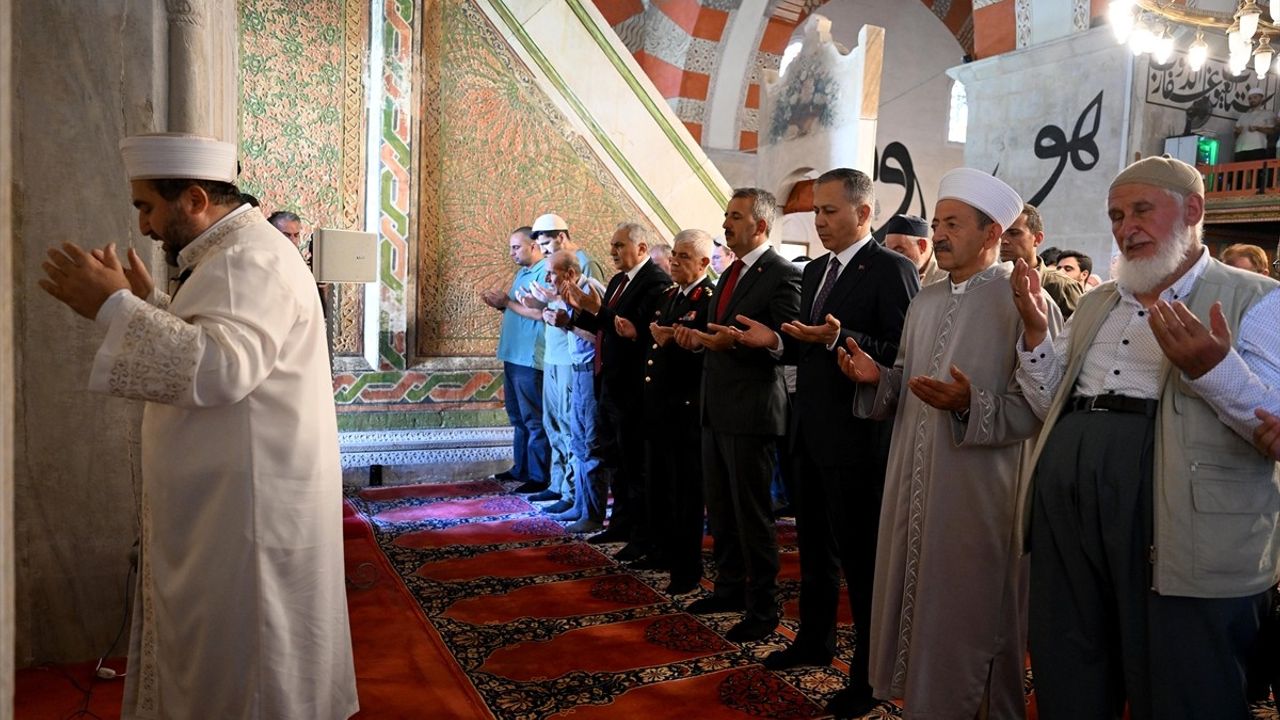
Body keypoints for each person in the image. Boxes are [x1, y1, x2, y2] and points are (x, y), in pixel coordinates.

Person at [37, 133, 357, 718]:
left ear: (192, 199)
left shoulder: (246, 260)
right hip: (234, 501)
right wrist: (150, 303)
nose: (142, 226)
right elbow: (223, 342)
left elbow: (221, 369)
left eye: (146, 207)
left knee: (246, 672)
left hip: (244, 515)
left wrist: (114, 309)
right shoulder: (233, 254)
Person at [1011, 155, 1280, 720]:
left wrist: (1212, 368)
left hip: (1173, 503)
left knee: (1182, 672)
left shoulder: (1256, 297)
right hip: (1070, 496)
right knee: (1071, 654)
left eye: (1140, 210)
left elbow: (1271, 422)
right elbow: (1049, 403)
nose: (1125, 226)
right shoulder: (1097, 301)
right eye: (1114, 215)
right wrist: (1038, 336)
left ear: (1193, 210)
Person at [836, 168, 1058, 720]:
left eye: (953, 224)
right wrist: (879, 378)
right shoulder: (926, 299)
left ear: (991, 234)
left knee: (972, 618)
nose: (939, 234)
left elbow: (1039, 409)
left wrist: (968, 404)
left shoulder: (1024, 303)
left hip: (979, 491)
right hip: (913, 479)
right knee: (922, 608)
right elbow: (911, 381)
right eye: (936, 223)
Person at [735, 169, 918, 717]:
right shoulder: (814, 271)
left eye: (830, 211)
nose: (819, 221)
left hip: (859, 438)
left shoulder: (892, 268)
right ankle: (814, 640)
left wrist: (843, 338)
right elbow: (803, 350)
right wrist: (774, 342)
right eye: (816, 211)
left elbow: (902, 351)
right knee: (813, 549)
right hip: (808, 431)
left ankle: (868, 674)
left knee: (861, 562)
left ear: (864, 214)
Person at [673, 188, 801, 643]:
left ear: (761, 226)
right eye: (726, 215)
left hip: (752, 412)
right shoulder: (732, 272)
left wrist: (747, 342)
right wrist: (694, 339)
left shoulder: (780, 274)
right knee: (722, 509)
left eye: (736, 217)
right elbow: (718, 331)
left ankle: (764, 608)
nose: (726, 224)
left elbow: (787, 344)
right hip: (717, 406)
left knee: (752, 515)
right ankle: (728, 588)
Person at [562, 222, 672, 541]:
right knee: (616, 461)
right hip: (609, 383)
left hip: (634, 386)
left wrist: (595, 306)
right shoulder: (618, 281)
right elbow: (604, 325)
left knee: (635, 464)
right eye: (612, 246)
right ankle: (620, 526)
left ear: (640, 248)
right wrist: (578, 311)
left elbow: (636, 330)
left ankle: (640, 532)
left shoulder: (656, 282)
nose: (613, 252)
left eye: (619, 245)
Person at [640, 229, 716, 593]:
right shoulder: (672, 295)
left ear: (703, 263)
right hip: (662, 408)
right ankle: (663, 551)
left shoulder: (708, 298)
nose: (674, 261)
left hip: (688, 408)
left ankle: (686, 569)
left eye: (684, 256)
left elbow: (704, 351)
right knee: (661, 485)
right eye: (673, 254)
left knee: (687, 493)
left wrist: (678, 341)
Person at [481, 228, 551, 494]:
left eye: (516, 247)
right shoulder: (523, 272)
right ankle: (521, 468)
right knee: (518, 417)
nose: (511, 253)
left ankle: (538, 475)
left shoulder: (544, 271)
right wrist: (501, 305)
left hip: (529, 357)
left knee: (534, 419)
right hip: (512, 354)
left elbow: (538, 313)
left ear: (534, 246)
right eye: (511, 247)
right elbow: (518, 309)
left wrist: (507, 302)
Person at [538, 251, 605, 522]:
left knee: (590, 445)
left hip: (592, 373)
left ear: (569, 274)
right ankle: (579, 504)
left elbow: (601, 337)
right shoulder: (569, 294)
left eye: (551, 273)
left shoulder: (591, 291)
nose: (546, 278)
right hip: (577, 371)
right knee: (577, 442)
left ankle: (592, 512)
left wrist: (569, 324)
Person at [999, 203, 1082, 318]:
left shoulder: (1062, 286)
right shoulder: (990, 284)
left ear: (1037, 238)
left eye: (1014, 233)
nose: (1004, 241)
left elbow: (1077, 332)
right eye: (1000, 235)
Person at [882, 213, 948, 286]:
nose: (893, 259)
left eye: (899, 251)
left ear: (922, 246)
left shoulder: (948, 278)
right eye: (889, 252)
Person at [1235, 86, 1275, 162]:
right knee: (1239, 173)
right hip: (1240, 149)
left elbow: (1273, 131)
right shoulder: (1243, 115)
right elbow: (1235, 135)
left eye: (1255, 97)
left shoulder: (1268, 113)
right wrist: (1237, 132)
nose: (1252, 100)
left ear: (1261, 98)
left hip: (1257, 148)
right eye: (1250, 98)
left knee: (1255, 173)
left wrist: (1258, 128)